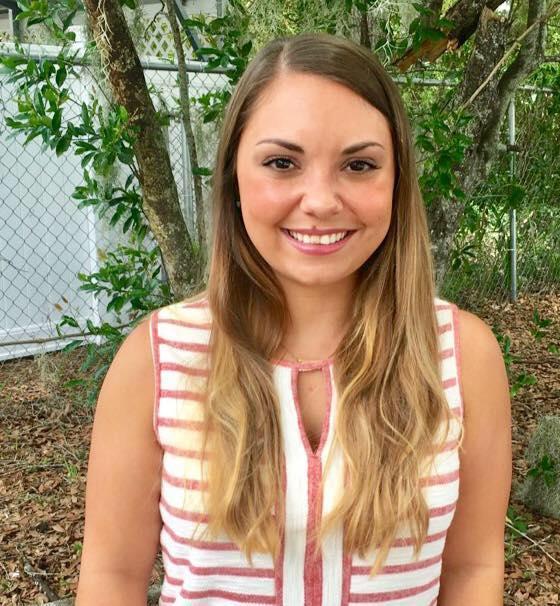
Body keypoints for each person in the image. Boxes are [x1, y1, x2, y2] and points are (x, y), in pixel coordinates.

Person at [75, 32, 511, 606]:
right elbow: (112, 576)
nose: (321, 201)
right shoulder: (156, 360)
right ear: (233, 177)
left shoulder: (463, 356)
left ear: (397, 182)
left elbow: (473, 568)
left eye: (359, 165)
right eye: (282, 163)